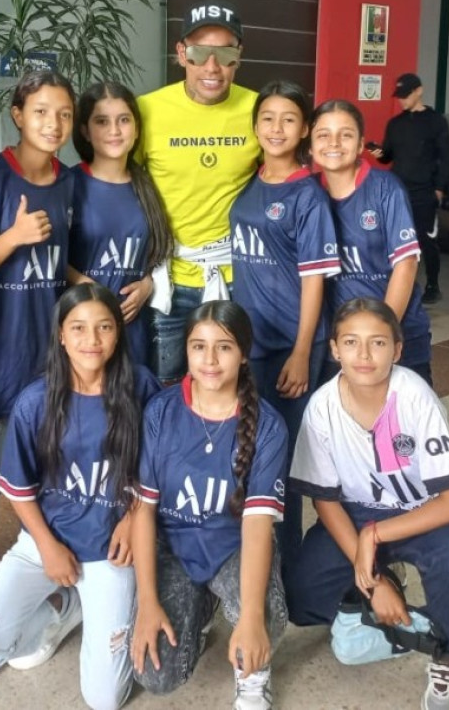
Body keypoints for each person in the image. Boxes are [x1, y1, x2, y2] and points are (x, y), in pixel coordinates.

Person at [285, 297, 449, 710]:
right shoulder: (322, 408)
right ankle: (386, 583)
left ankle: (447, 653)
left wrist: (375, 535)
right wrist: (376, 582)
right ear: (333, 349)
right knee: (300, 593)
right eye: (350, 342)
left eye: (378, 343)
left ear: (398, 350)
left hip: (421, 512)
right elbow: (325, 502)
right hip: (356, 513)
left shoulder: (415, 398)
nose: (364, 355)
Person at [0, 283, 159, 710]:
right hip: (45, 543)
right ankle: (61, 608)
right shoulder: (35, 402)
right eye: (79, 328)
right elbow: (19, 490)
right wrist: (47, 548)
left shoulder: (141, 387)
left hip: (112, 550)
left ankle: (98, 600)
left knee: (105, 700)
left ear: (118, 332)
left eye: (104, 327)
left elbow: (157, 470)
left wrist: (131, 518)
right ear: (62, 335)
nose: (92, 340)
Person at [130, 301, 288, 710]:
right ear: (186, 351)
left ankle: (254, 672)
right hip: (174, 548)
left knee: (266, 616)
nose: (210, 360)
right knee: (156, 675)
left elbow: (256, 526)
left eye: (224, 347)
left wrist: (251, 617)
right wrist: (148, 602)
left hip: (232, 546)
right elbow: (143, 510)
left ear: (244, 354)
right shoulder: (161, 411)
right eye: (198, 347)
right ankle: (200, 609)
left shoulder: (268, 426)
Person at [0, 70, 76, 598]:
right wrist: (12, 237)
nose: (52, 124)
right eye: (40, 112)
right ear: (17, 115)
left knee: (51, 480)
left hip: (51, 365)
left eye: (63, 114)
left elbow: (65, 263)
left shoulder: (71, 183)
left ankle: (48, 577)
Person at [229, 80, 340, 566]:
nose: (276, 128)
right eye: (268, 118)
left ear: (305, 130)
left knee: (285, 458)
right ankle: (253, 559)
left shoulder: (307, 197)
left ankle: (288, 566)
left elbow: (314, 282)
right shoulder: (250, 182)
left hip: (291, 345)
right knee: (250, 451)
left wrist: (301, 351)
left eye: (289, 119)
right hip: (247, 345)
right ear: (255, 126)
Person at [136, 0, 260, 383]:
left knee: (231, 385)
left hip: (236, 278)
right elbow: (122, 186)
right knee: (164, 386)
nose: (212, 67)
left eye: (224, 54)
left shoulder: (260, 111)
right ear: (181, 53)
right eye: (200, 52)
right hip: (167, 280)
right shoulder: (147, 111)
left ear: (238, 55)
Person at [310, 99, 433, 384]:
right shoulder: (309, 192)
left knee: (406, 424)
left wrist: (381, 336)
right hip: (342, 340)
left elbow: (406, 265)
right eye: (323, 135)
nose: (334, 143)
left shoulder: (385, 188)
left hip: (396, 332)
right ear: (311, 144)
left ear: (362, 142)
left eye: (346, 134)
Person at [68, 81, 172, 368]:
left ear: (136, 128)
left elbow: (154, 250)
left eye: (124, 120)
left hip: (133, 329)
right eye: (102, 121)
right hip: (84, 329)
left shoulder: (146, 184)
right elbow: (49, 255)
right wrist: (86, 286)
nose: (114, 131)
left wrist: (148, 283)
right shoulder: (69, 184)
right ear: (85, 131)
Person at [372, 73, 449, 305]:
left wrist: (439, 188)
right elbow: (387, 157)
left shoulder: (436, 121)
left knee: (425, 239)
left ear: (419, 91)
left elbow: (446, 156)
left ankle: (432, 285)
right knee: (390, 238)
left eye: (406, 95)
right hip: (397, 190)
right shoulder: (395, 124)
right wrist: (378, 153)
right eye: (399, 97)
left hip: (424, 191)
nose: (402, 100)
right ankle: (393, 284)